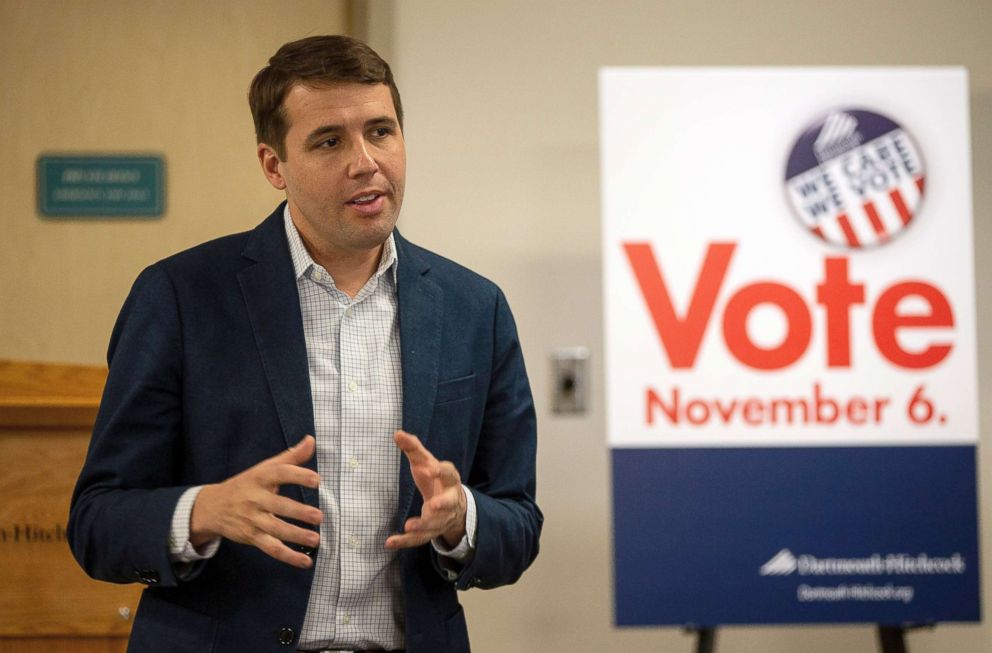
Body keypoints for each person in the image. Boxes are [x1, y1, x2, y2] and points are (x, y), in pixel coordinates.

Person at [68, 35, 541, 653]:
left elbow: (519, 523)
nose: (365, 161)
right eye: (329, 141)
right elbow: (97, 521)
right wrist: (206, 510)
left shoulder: (476, 308)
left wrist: (461, 521)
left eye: (381, 131)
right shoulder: (180, 296)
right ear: (273, 166)